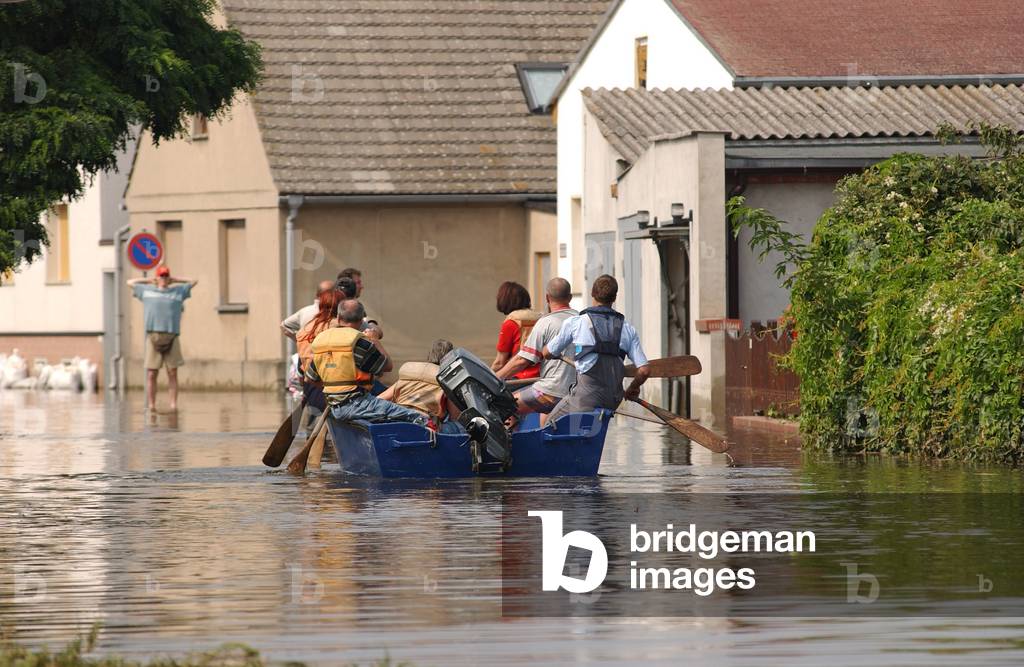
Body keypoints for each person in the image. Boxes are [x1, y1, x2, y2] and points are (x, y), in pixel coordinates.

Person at [543, 274, 651, 424]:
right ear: (614, 298)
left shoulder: (576, 322)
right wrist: (633, 387)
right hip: (613, 399)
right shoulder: (627, 328)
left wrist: (548, 353)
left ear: (592, 294)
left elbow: (547, 352)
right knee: (590, 431)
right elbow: (644, 370)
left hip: (585, 397)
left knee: (550, 424)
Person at [305, 299, 427, 426]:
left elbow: (310, 379)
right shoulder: (360, 343)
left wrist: (333, 390)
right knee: (418, 416)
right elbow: (387, 366)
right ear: (362, 320)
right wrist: (375, 340)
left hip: (333, 405)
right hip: (358, 404)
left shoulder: (322, 341)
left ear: (338, 317)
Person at [495, 278, 578, 425]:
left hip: (550, 390)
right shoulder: (582, 320)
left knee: (501, 405)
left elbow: (521, 360)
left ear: (547, 297)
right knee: (544, 419)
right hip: (578, 391)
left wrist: (494, 379)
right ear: (570, 297)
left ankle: (510, 443)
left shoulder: (546, 322)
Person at [127, 265, 198, 411]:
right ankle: (152, 406)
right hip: (153, 336)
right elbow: (130, 282)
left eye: (166, 276)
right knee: (152, 373)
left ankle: (173, 405)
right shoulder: (146, 291)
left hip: (172, 335)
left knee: (172, 372)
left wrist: (176, 279)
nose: (164, 278)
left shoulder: (178, 291)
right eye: (161, 276)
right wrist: (149, 280)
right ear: (157, 278)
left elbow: (194, 281)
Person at [378, 339, 464, 432]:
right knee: (460, 426)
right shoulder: (447, 379)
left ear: (430, 355)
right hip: (426, 426)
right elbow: (455, 416)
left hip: (399, 419)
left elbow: (379, 400)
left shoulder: (409, 373)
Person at [491, 281, 542, 380]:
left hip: (518, 377)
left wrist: (486, 376)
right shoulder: (540, 318)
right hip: (541, 375)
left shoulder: (511, 323)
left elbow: (499, 362)